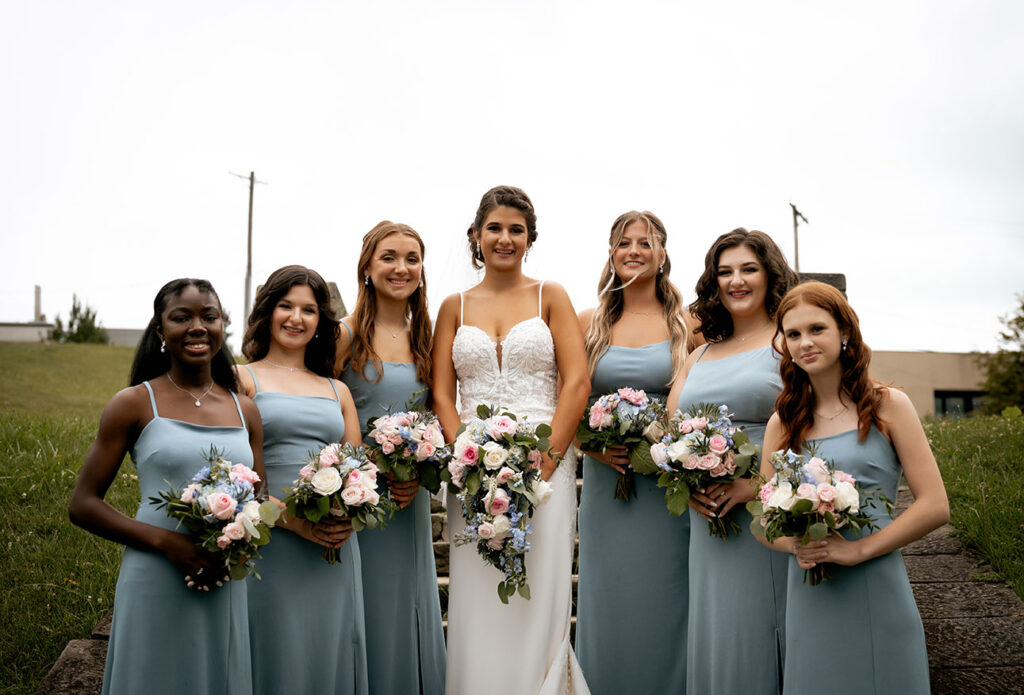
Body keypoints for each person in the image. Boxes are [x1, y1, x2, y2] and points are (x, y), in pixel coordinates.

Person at [432, 185, 591, 695]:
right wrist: (468, 462)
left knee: (538, 586)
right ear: (476, 236)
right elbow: (441, 393)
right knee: (479, 591)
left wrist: (547, 459)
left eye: (515, 229)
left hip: (545, 466)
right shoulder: (453, 306)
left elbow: (577, 382)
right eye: (494, 228)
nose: (504, 238)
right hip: (472, 470)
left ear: (530, 238)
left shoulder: (552, 296)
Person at [69, 278, 264, 695]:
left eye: (208, 316)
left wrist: (239, 537)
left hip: (222, 577)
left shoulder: (244, 409)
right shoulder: (134, 403)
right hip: (155, 572)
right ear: (160, 331)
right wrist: (168, 543)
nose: (197, 326)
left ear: (222, 325)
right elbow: (83, 504)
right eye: (181, 317)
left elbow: (259, 499)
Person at [760, 281, 947, 694]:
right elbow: (761, 520)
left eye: (816, 329)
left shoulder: (888, 405)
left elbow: (935, 505)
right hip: (811, 593)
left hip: (876, 582)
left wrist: (858, 549)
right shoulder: (783, 422)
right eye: (793, 334)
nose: (805, 342)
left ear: (844, 331)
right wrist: (796, 545)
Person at [666, 228, 798, 694]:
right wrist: (684, 471)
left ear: (770, 275)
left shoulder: (789, 344)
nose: (736, 281)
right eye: (725, 272)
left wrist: (754, 486)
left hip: (764, 514)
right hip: (706, 517)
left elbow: (814, 426)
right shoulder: (700, 353)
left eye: (748, 269)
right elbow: (671, 430)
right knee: (717, 628)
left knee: (759, 627)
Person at [574, 211, 694, 694]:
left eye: (646, 243)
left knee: (669, 596)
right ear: (611, 253)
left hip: (669, 487)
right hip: (607, 487)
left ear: (663, 254)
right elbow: (567, 401)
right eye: (625, 243)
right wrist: (592, 446)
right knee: (613, 597)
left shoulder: (689, 324)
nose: (635, 252)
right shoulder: (589, 322)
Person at [236, 265, 368, 695]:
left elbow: (358, 469)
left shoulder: (337, 390)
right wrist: (294, 522)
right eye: (285, 306)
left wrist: (348, 513)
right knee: (274, 651)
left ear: (321, 323)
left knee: (327, 650)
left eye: (308, 310)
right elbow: (234, 477)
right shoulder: (242, 379)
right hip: (269, 541)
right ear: (267, 313)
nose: (296, 318)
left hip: (332, 544)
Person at [337, 222, 446, 695]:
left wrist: (422, 474)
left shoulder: (427, 334)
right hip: (358, 498)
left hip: (407, 500)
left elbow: (441, 412)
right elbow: (322, 407)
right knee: (367, 605)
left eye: (412, 259)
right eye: (389, 257)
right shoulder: (343, 335)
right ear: (367, 267)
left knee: (407, 604)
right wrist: (362, 463)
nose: (401, 268)